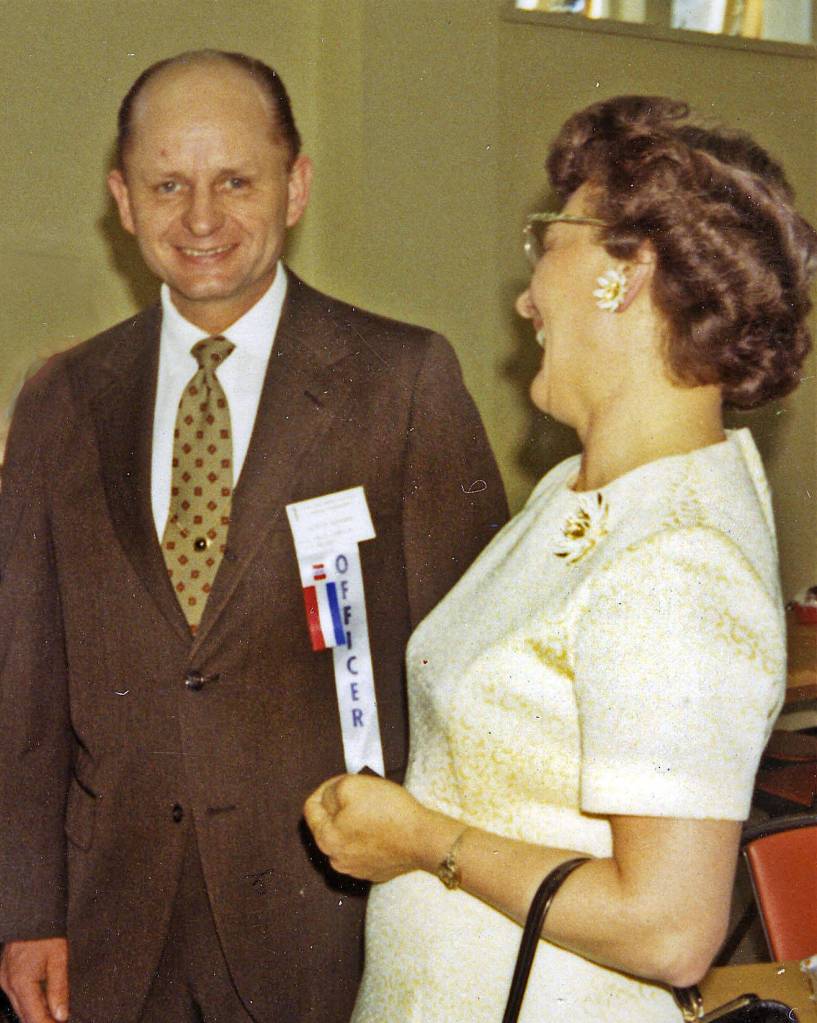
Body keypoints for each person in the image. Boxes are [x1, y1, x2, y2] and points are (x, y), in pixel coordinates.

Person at [0, 50, 507, 1023]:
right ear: (123, 198)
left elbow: (468, 684)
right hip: (113, 926)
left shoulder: (404, 382)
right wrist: (27, 909)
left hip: (332, 922)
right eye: (167, 184)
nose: (200, 218)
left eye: (235, 180)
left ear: (296, 186)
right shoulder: (61, 399)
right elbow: (25, 680)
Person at [304, 95, 817, 1022]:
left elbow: (670, 927)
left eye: (547, 239)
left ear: (628, 268)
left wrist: (422, 839)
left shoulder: (679, 556)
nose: (525, 294)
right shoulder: (585, 489)